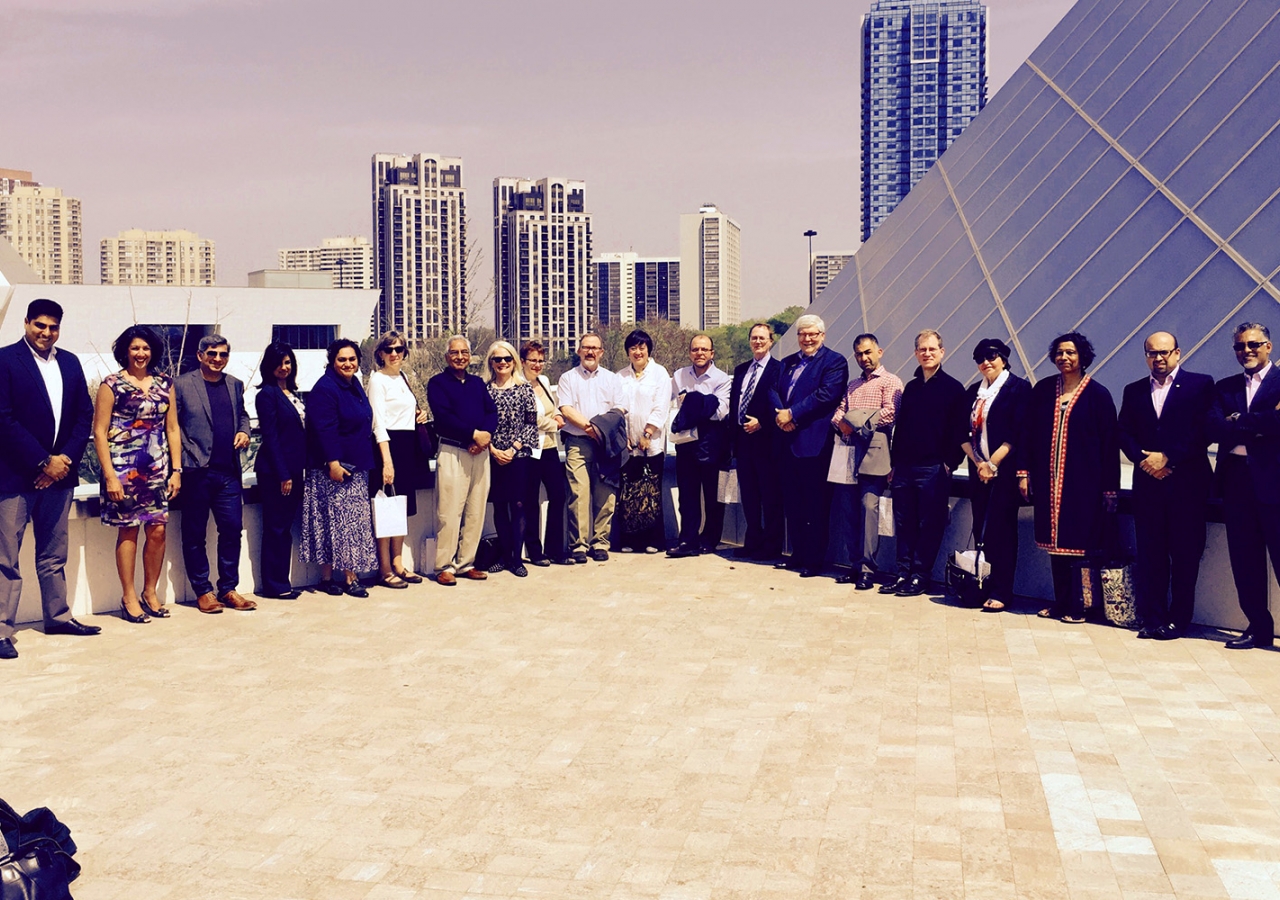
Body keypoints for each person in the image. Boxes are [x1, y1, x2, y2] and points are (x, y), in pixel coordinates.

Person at [0, 299, 99, 660]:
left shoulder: (70, 363)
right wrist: (42, 462)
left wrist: (63, 461)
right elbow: (3, 419)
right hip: (14, 477)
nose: (45, 333)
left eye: (52, 327)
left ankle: (57, 617)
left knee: (53, 554)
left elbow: (83, 416)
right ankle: (1, 629)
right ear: (26, 323)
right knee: (5, 557)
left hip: (60, 476)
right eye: (39, 325)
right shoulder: (6, 360)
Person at [1018, 332, 1119, 624]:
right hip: (1049, 483)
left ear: (1082, 356)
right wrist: (1023, 472)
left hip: (1083, 485)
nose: (1064, 358)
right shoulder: (1044, 390)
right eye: (1060, 353)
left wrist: (1109, 490)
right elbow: (1027, 433)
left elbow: (1110, 445)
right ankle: (1061, 601)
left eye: (1071, 353)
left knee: (1080, 548)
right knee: (1056, 548)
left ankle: (1081, 606)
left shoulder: (1098, 395)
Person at [1118, 332, 1213, 640]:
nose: (1158, 358)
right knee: (1151, 554)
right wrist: (1144, 461)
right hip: (1148, 486)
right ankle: (1153, 617)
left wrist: (1168, 458)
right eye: (1151, 353)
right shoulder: (1133, 391)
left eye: (1163, 352)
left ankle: (1179, 620)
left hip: (1186, 485)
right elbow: (1124, 432)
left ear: (1177, 353)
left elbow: (1204, 431)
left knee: (1185, 555)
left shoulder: (1200, 385)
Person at [93, 325, 182, 622]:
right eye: (135, 348)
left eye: (145, 348)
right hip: (122, 469)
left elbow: (172, 428)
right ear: (125, 351)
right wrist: (109, 476)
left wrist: (176, 470)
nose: (140, 353)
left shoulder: (165, 383)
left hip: (156, 468)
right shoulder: (112, 384)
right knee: (128, 529)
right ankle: (128, 596)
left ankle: (150, 592)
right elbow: (99, 432)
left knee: (157, 530)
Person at [1208, 323, 1280, 650]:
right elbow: (1213, 427)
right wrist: (1261, 424)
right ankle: (1258, 628)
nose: (1246, 351)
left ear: (1269, 346)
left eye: (1253, 344)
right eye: (1240, 346)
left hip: (1274, 482)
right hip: (1237, 481)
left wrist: (1239, 421)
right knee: (1245, 560)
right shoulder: (1225, 387)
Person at [880, 329, 967, 597]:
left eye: (932, 349)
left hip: (933, 468)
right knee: (904, 523)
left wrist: (949, 463)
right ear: (916, 353)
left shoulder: (953, 388)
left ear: (942, 351)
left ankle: (920, 576)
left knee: (929, 524)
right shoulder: (912, 388)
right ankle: (902, 573)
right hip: (905, 468)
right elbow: (902, 428)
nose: (927, 354)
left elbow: (959, 431)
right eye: (922, 349)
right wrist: (894, 464)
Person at [175, 334, 256, 613]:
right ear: (200, 355)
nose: (217, 359)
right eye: (212, 354)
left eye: (223, 354)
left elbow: (242, 414)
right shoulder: (182, 385)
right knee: (195, 534)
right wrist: (182, 461)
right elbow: (172, 427)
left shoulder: (234, 384)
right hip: (196, 472)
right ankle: (203, 591)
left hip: (229, 472)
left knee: (232, 530)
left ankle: (228, 589)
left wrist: (245, 430)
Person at [770, 314, 849, 577]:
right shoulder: (787, 362)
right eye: (802, 334)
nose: (807, 338)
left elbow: (826, 395)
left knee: (816, 505)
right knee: (792, 504)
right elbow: (772, 390)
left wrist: (791, 414)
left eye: (812, 334)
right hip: (787, 442)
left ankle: (814, 561)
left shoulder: (835, 362)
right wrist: (781, 415)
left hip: (815, 445)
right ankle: (797, 554)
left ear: (822, 336)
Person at [957, 338, 1031, 612]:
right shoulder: (973, 393)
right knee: (981, 530)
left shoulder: (1018, 389)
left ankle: (1002, 590)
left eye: (992, 356)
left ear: (1004, 358)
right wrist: (979, 462)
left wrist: (993, 463)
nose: (986, 362)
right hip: (980, 472)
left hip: (1005, 472)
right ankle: (981, 584)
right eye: (980, 358)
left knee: (1002, 530)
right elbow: (960, 432)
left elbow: (1018, 431)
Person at [300, 339, 377, 597]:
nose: (348, 363)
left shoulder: (354, 384)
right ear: (332, 361)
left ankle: (332, 577)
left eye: (352, 359)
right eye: (342, 359)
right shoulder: (326, 388)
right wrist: (333, 462)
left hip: (356, 466)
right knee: (338, 524)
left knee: (343, 524)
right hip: (335, 469)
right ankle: (347, 578)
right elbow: (323, 429)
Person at [831, 333, 903, 590]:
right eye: (860, 354)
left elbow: (891, 413)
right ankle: (853, 564)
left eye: (868, 352)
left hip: (876, 451)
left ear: (880, 352)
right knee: (848, 511)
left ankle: (867, 569)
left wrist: (856, 420)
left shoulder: (891, 381)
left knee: (867, 509)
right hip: (849, 450)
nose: (864, 358)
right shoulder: (852, 385)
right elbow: (839, 413)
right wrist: (847, 421)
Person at [426, 336, 497, 584]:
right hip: (453, 451)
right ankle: (443, 566)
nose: (460, 357)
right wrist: (473, 434)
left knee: (476, 511)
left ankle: (466, 563)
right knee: (449, 512)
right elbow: (443, 418)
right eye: (454, 353)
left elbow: (491, 412)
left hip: (480, 453)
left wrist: (483, 438)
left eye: (464, 352)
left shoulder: (478, 383)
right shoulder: (437, 384)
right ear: (447, 356)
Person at [557, 332, 627, 563]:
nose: (590, 351)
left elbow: (620, 410)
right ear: (579, 351)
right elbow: (566, 409)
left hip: (606, 444)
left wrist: (600, 431)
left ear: (601, 352)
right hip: (578, 442)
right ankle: (578, 545)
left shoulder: (612, 379)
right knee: (578, 493)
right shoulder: (568, 378)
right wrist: (591, 428)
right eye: (586, 347)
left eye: (595, 348)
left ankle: (600, 543)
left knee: (605, 494)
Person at [368, 331, 429, 589]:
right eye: (389, 349)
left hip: (408, 448)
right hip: (387, 447)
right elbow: (378, 422)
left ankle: (398, 563)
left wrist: (420, 414)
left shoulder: (404, 377)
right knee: (385, 508)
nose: (395, 354)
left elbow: (406, 411)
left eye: (399, 349)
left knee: (401, 508)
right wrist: (387, 461)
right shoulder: (377, 380)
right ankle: (384, 568)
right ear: (380, 353)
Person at [668, 334, 731, 558]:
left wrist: (693, 402)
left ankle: (710, 539)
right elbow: (675, 406)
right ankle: (688, 540)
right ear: (689, 353)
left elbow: (721, 412)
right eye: (695, 349)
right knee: (687, 496)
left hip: (713, 442)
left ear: (712, 353)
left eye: (704, 349)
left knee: (713, 497)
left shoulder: (722, 379)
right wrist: (704, 402)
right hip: (686, 443)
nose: (700, 353)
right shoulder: (679, 375)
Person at [253, 342, 306, 600]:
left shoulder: (293, 394)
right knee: (276, 528)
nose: (283, 368)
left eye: (288, 363)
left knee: (284, 528)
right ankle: (275, 585)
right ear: (269, 366)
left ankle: (282, 580)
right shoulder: (267, 395)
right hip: (276, 473)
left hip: (296, 471)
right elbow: (271, 437)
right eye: (279, 363)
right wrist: (284, 474)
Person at [729, 323, 784, 561]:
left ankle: (771, 546)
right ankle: (752, 542)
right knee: (749, 496)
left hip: (766, 442)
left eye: (762, 338)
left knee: (770, 497)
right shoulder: (741, 370)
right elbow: (734, 405)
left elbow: (780, 403)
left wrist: (763, 422)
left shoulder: (779, 369)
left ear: (771, 341)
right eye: (754, 338)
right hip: (743, 443)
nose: (758, 342)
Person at [484, 340, 538, 577]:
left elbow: (530, 422)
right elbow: (481, 424)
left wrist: (513, 449)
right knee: (499, 506)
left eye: (507, 359)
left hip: (519, 456)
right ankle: (504, 556)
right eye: (497, 359)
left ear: (514, 361)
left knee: (518, 505)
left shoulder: (525, 388)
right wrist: (494, 450)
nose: (502, 363)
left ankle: (517, 558)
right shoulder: (485, 390)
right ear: (491, 363)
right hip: (493, 456)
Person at [616, 329, 670, 554]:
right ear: (627, 352)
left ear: (648, 350)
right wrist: (624, 436)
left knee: (651, 493)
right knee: (629, 494)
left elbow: (661, 407)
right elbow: (617, 408)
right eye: (633, 348)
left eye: (641, 348)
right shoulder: (620, 376)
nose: (637, 352)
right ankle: (630, 540)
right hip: (628, 446)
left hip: (651, 444)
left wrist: (647, 434)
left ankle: (653, 540)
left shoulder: (659, 374)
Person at [520, 341, 572, 567]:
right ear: (522, 361)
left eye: (541, 360)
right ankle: (534, 551)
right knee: (530, 500)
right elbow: (527, 418)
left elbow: (554, 408)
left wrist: (559, 418)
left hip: (550, 447)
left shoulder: (544, 381)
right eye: (533, 360)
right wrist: (553, 424)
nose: (537, 365)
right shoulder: (518, 385)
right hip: (529, 449)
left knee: (559, 496)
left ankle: (555, 549)